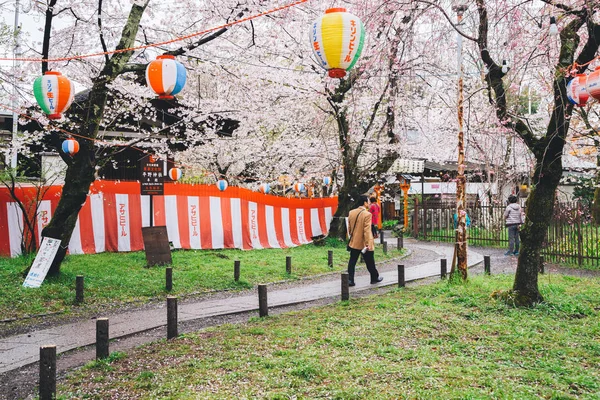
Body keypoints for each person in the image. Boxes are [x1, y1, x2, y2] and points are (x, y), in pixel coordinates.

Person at [347, 195, 383, 286]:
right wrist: (367, 243)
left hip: (354, 242)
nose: (369, 203)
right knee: (370, 261)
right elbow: (367, 230)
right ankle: (374, 278)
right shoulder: (367, 214)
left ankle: (350, 280)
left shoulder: (351, 212)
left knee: (352, 261)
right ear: (364, 203)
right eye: (368, 201)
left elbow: (350, 228)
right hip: (364, 243)